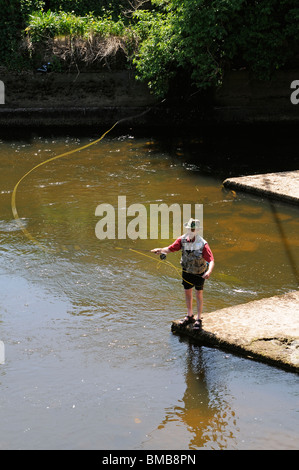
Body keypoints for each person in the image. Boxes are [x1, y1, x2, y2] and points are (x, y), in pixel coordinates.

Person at [151, 218, 214, 331]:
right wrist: (160, 250)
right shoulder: (182, 240)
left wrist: (208, 272)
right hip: (186, 271)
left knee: (198, 294)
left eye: (193, 229)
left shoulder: (203, 244)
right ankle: (189, 316)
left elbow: (211, 260)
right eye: (189, 229)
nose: (191, 231)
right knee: (187, 293)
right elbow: (170, 249)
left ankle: (198, 319)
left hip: (200, 273)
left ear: (198, 230)